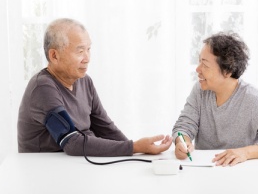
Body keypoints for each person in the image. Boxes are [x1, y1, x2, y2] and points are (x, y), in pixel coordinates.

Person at [17, 18, 172, 156]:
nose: (87, 59)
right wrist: (134, 147)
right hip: (45, 173)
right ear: (54, 56)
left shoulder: (85, 81)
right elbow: (72, 143)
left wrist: (138, 152)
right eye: (80, 51)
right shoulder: (43, 87)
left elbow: (105, 128)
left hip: (77, 166)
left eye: (88, 49)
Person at [172, 32, 258, 166]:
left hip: (243, 173)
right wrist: (182, 142)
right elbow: (183, 126)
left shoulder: (254, 100)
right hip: (204, 171)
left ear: (227, 71)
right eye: (199, 61)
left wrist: (245, 153)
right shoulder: (200, 90)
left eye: (205, 65)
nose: (198, 69)